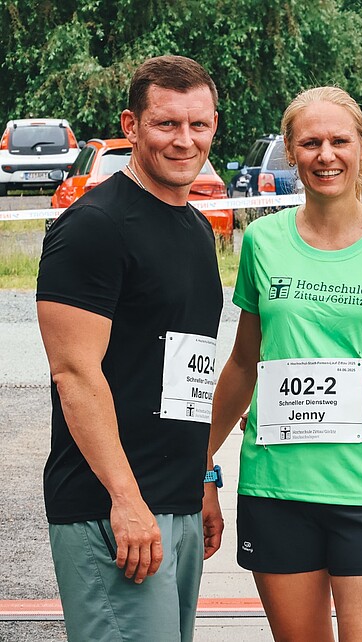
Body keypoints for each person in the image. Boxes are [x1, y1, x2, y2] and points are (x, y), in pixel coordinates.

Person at [202, 86, 362, 642]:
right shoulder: (262, 241)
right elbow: (243, 363)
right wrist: (202, 460)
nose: (326, 154)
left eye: (339, 140)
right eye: (311, 142)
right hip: (278, 489)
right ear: (291, 151)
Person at [36, 55, 223, 641]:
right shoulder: (95, 225)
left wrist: (204, 476)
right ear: (132, 125)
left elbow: (186, 370)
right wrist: (125, 499)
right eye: (167, 124)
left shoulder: (194, 226)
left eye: (200, 125)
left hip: (176, 501)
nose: (185, 140)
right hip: (112, 508)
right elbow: (74, 374)